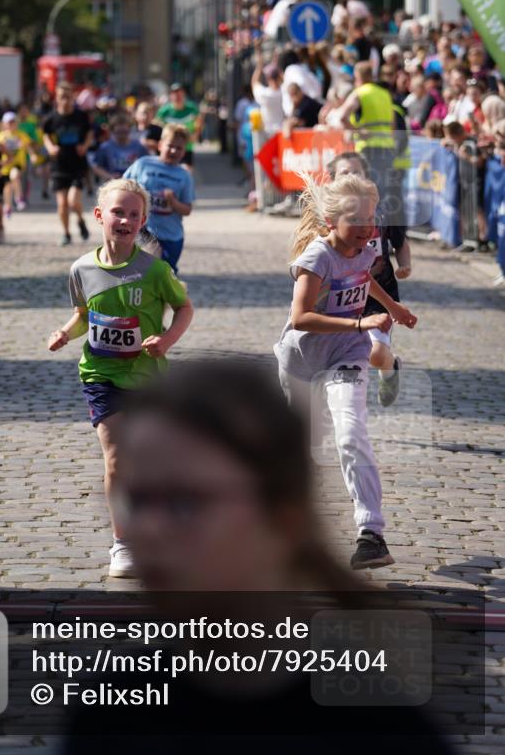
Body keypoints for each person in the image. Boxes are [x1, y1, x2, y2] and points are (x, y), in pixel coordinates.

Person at [66, 360, 455, 754]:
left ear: (283, 518)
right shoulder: (110, 708)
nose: (146, 530)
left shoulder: (381, 729)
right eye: (136, 500)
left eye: (184, 502)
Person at [47, 178, 194, 578]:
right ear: (99, 216)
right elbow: (83, 314)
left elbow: (184, 308)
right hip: (101, 373)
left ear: (143, 220)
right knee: (116, 459)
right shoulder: (81, 269)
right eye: (117, 212)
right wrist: (65, 332)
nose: (125, 219)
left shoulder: (155, 270)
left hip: (148, 376)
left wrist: (165, 341)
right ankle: (123, 544)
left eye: (133, 214)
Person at [274, 172, 417, 568]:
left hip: (347, 354)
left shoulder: (367, 248)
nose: (367, 229)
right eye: (356, 221)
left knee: (351, 432)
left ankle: (371, 533)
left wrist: (393, 308)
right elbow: (300, 317)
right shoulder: (317, 257)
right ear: (329, 223)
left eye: (371, 220)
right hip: (302, 360)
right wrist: (359, 323)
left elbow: (364, 277)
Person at [328, 153, 412, 406]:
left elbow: (400, 242)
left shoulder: (383, 212)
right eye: (345, 172)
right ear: (332, 180)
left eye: (357, 172)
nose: (352, 177)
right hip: (339, 300)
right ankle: (348, 410)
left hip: (378, 298)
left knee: (375, 354)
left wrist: (404, 264)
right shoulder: (326, 218)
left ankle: (390, 368)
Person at [123, 124, 194, 275]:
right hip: (144, 230)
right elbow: (122, 186)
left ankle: (165, 296)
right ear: (160, 145)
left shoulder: (184, 176)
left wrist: (174, 202)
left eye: (179, 148)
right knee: (146, 270)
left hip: (171, 236)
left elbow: (187, 210)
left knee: (165, 275)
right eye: (170, 146)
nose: (174, 150)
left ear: (184, 152)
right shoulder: (143, 164)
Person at [336, 61, 396, 218]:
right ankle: (384, 229)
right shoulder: (384, 94)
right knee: (383, 192)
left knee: (367, 191)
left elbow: (342, 117)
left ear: (358, 76)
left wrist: (357, 131)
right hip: (387, 148)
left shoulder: (360, 93)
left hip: (368, 148)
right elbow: (392, 124)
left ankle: (370, 229)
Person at [42, 83, 93, 247]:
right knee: (62, 203)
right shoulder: (51, 118)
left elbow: (90, 132)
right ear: (56, 98)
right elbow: (45, 135)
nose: (65, 100)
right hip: (59, 164)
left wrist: (85, 146)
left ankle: (80, 220)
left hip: (77, 164)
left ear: (73, 98)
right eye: (62, 97)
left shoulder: (81, 116)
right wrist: (50, 147)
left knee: (73, 201)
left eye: (68, 97)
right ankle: (66, 233)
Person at [156, 84, 203, 169]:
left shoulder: (192, 108)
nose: (177, 96)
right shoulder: (164, 111)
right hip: (169, 148)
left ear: (184, 94)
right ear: (171, 96)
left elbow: (199, 123)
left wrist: (196, 135)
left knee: (186, 171)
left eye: (180, 93)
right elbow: (156, 124)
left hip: (186, 147)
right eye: (174, 93)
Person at [90, 113, 147, 182]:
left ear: (129, 128)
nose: (122, 130)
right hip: (113, 186)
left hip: (133, 185)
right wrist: (109, 176)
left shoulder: (138, 146)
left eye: (124, 127)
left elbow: (146, 165)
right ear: (112, 130)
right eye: (119, 128)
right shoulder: (106, 147)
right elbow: (96, 166)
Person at [0, 111, 32, 215]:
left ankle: (18, 198)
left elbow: (28, 146)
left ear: (16, 123)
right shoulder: (1, 136)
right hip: (6, 164)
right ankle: (7, 206)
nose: (11, 124)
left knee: (15, 175)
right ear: (4, 124)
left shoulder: (21, 135)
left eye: (13, 122)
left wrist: (33, 155)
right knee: (7, 187)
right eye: (8, 122)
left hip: (18, 163)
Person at [250, 43, 284, 134]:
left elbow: (254, 83)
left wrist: (259, 66)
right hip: (282, 132)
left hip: (268, 133)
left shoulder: (265, 95)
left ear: (268, 78)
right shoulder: (285, 92)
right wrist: (276, 63)